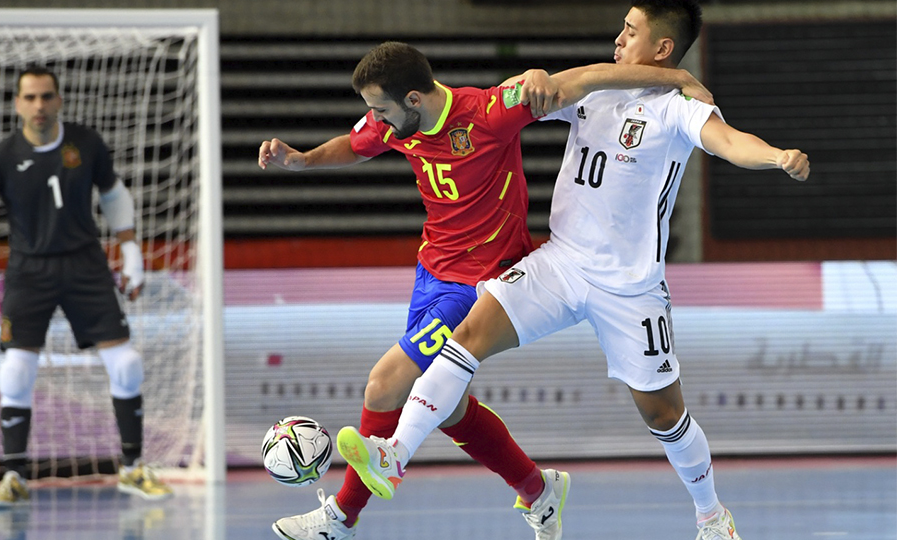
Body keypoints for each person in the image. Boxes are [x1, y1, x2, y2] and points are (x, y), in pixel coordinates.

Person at [335, 3, 810, 540]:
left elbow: (730, 142)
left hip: (630, 288)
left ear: (661, 48)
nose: (617, 38)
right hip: (559, 264)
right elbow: (544, 92)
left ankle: (710, 515)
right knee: (465, 337)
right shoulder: (596, 90)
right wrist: (533, 78)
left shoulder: (679, 108)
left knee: (664, 416)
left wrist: (775, 156)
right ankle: (394, 455)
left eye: (630, 32)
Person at [259, 41, 711, 540]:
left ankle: (340, 520)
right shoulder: (396, 125)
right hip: (431, 271)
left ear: (413, 99)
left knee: (385, 384)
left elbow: (580, 79)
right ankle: (539, 490)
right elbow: (355, 143)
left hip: (478, 282)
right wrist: (303, 160)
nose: (375, 120)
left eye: (380, 109)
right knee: (447, 407)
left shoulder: (487, 112)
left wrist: (675, 79)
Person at [0, 65, 173, 509]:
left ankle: (132, 467)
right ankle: (14, 475)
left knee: (126, 365)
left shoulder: (86, 144)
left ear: (59, 100)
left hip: (85, 265)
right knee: (15, 372)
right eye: (30, 97)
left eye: (46, 96)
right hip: (29, 272)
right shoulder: (1, 156)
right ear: (17, 103)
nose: (39, 105)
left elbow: (114, 195)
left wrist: (131, 253)